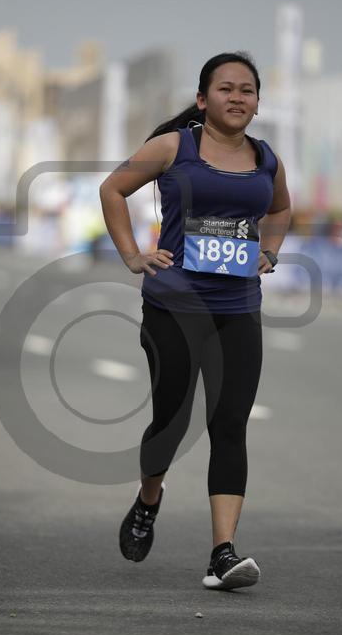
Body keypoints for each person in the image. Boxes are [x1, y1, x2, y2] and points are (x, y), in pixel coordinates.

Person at [99, 51, 291, 590]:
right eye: (226, 88)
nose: (237, 97)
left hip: (238, 310)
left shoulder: (266, 159)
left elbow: (280, 210)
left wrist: (270, 253)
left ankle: (222, 554)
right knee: (171, 422)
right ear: (203, 99)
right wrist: (132, 255)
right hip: (174, 308)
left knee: (229, 426)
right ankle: (148, 498)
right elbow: (112, 189)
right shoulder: (173, 147)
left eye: (247, 90)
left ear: (258, 103)